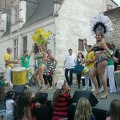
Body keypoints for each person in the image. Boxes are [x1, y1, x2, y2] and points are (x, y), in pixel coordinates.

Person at [89, 13, 117, 99]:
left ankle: (105, 92)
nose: (97, 36)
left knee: (101, 76)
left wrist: (113, 57)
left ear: (102, 36)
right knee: (92, 75)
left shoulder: (102, 42)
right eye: (96, 35)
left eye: (99, 35)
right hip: (97, 61)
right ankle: (97, 90)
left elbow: (107, 50)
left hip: (102, 60)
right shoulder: (96, 43)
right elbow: (89, 50)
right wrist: (86, 43)